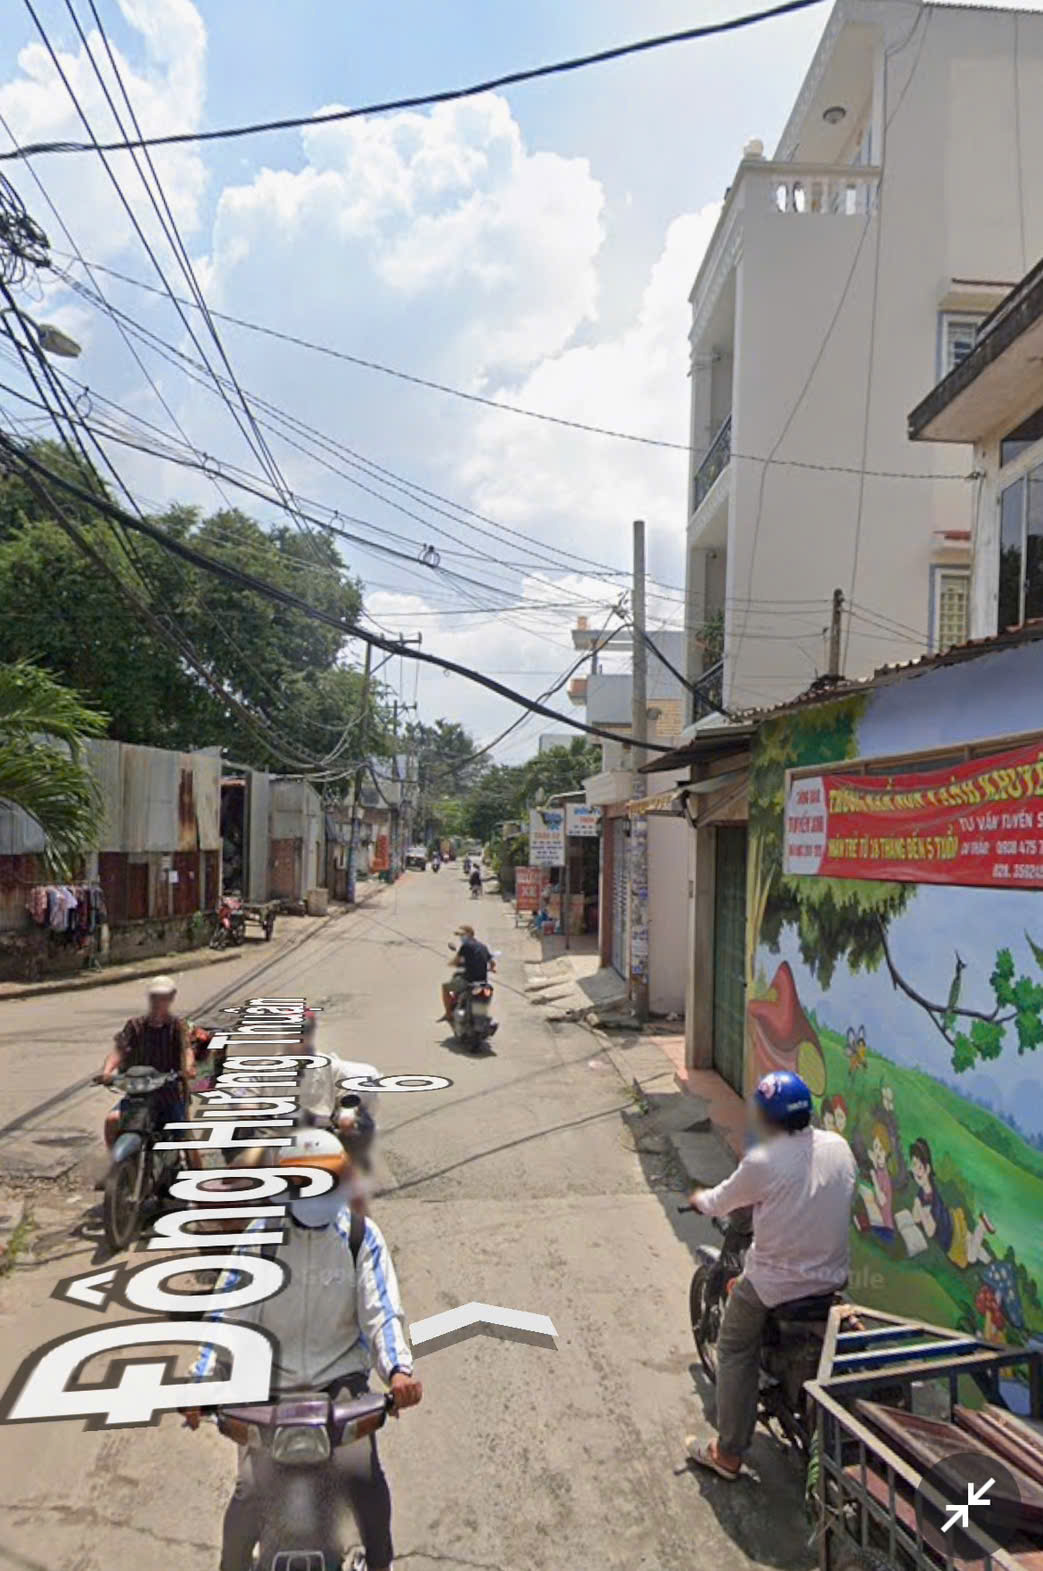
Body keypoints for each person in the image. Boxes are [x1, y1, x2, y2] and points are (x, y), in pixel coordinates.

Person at [185, 1125, 422, 1571]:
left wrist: (398, 1371)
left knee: (363, 1478)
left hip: (339, 1383)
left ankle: (381, 1564)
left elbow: (382, 1312)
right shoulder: (259, 1239)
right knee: (249, 1495)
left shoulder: (360, 1237)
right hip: (268, 1389)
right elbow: (227, 1314)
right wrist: (200, 1381)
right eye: (301, 1181)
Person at [684, 1069, 856, 1480]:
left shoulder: (763, 1161)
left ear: (765, 1118)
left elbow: (720, 1200)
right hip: (831, 1281)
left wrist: (698, 1199)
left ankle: (727, 1453)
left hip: (774, 1286)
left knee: (733, 1348)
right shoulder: (838, 1146)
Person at [99, 976, 195, 1147]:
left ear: (171, 998)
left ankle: (195, 1164)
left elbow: (187, 1050)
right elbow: (119, 1051)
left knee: (185, 1141)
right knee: (112, 1121)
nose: (159, 1002)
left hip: (169, 1094)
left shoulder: (177, 1026)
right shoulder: (135, 1025)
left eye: (163, 997)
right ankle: (116, 1161)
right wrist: (107, 1072)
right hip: (139, 1094)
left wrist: (188, 1068)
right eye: (155, 997)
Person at [439, 923, 493, 1024]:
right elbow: (492, 963)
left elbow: (456, 961)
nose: (461, 937)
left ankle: (448, 1014)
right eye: (460, 935)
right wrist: (491, 969)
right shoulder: (483, 947)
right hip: (482, 982)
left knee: (445, 987)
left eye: (462, 935)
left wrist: (452, 964)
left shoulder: (466, 946)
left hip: (468, 981)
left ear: (470, 934)